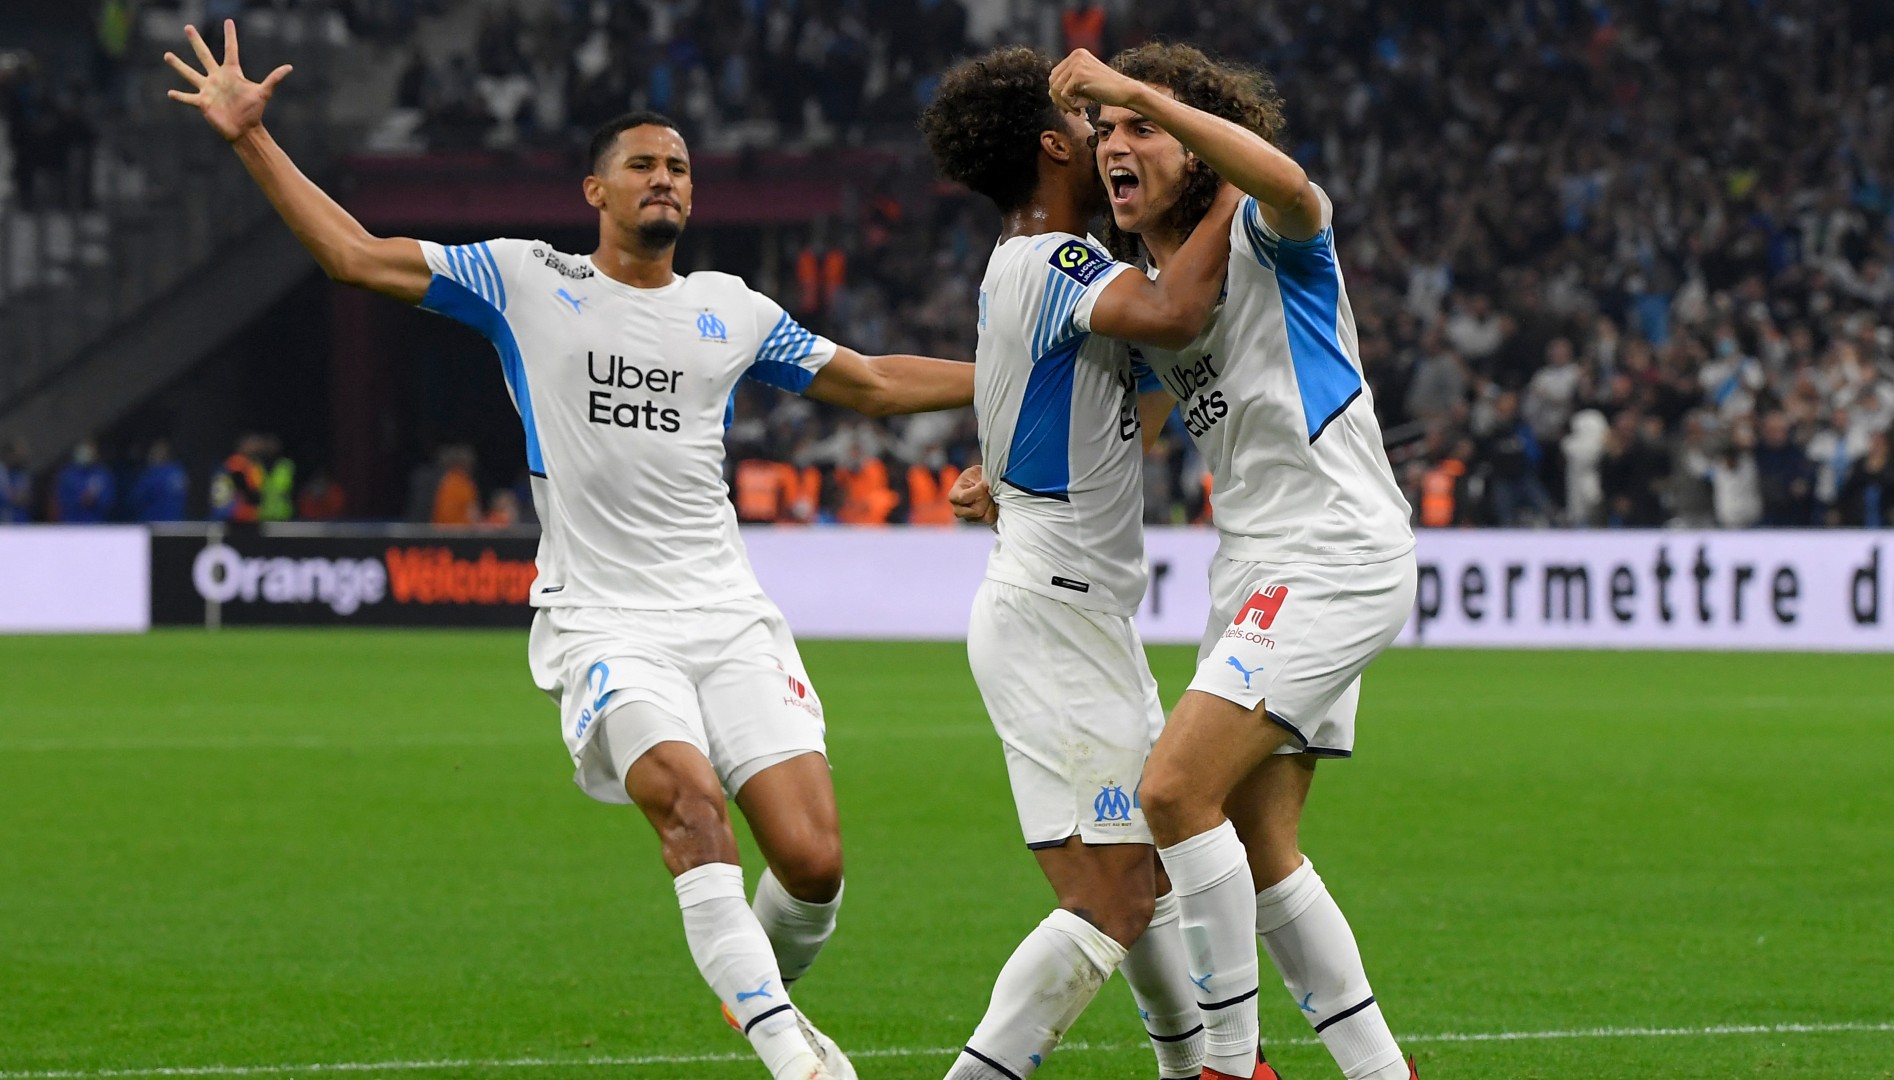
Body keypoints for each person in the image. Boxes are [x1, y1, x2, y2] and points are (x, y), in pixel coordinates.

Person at [166, 22, 974, 1080]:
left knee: (814, 864)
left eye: (679, 166)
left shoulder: (730, 311)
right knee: (687, 801)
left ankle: (757, 997)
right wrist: (249, 141)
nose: (664, 179)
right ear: (594, 191)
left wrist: (1007, 368)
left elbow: (869, 381)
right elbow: (355, 256)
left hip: (728, 614)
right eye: (641, 164)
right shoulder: (524, 280)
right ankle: (794, 1055)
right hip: (605, 619)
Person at [1051, 44, 1419, 1080]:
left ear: (1200, 148)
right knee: (1261, 850)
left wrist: (1134, 88)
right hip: (1254, 570)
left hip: (1333, 547)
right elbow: (1142, 422)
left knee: (1171, 793)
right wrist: (1012, 475)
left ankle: (1229, 1064)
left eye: (1141, 130)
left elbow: (1295, 184)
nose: (1115, 146)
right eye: (1105, 136)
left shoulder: (1271, 231)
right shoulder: (1169, 294)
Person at [921, 46, 1242, 1080]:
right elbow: (1175, 315)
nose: (1107, 140)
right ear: (1055, 144)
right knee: (1110, 898)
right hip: (1053, 614)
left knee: (1149, 874)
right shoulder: (1055, 261)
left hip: (1075, 612)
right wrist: (1239, 176)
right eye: (1090, 123)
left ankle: (1190, 1070)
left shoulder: (1041, 268)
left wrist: (995, 479)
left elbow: (1129, 409)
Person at [54, 439, 116, 523]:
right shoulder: (67, 474)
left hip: (96, 523)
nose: (85, 454)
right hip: (71, 523)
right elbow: (61, 498)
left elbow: (109, 499)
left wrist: (95, 502)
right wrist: (79, 501)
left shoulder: (102, 474)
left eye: (89, 452)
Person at [129, 439, 190, 522]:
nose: (152, 455)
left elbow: (136, 499)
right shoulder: (180, 471)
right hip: (176, 524)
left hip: (156, 524)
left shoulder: (154, 474)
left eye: (155, 452)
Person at [0, 438, 33, 523]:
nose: (21, 458)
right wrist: (11, 498)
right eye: (18, 455)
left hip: (21, 521)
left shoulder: (22, 473)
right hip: (4, 520)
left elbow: (26, 496)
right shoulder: (2, 472)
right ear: (9, 454)